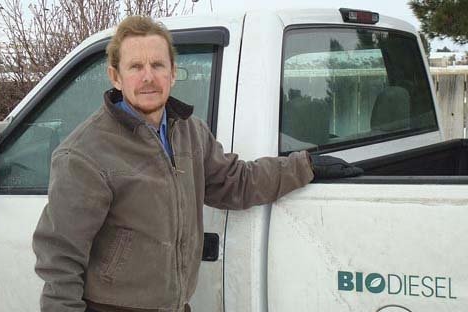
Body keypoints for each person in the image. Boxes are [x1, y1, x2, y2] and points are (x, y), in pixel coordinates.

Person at [32, 15, 363, 312]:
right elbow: (60, 259)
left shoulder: (188, 130)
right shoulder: (84, 153)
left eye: (158, 65)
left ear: (173, 73)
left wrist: (303, 166)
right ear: (115, 76)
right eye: (135, 67)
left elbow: (235, 181)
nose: (148, 77)